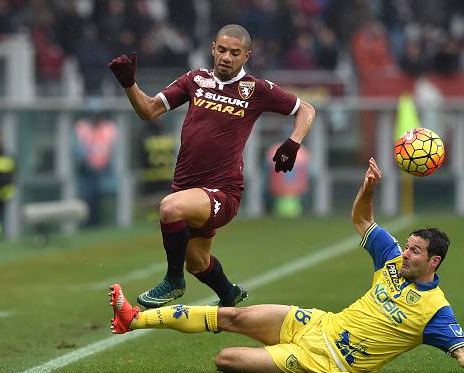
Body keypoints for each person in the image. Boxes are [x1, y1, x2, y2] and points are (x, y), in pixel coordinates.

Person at [108, 158, 464, 373]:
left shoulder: (435, 310)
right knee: (235, 315)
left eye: (415, 252)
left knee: (226, 360)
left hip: (329, 361)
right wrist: (367, 189)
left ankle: (275, 356)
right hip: (318, 323)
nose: (405, 254)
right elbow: (363, 221)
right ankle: (135, 319)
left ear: (434, 262)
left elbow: (462, 350)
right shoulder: (392, 259)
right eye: (407, 246)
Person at [108, 24, 316, 309]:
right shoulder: (194, 80)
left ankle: (172, 281)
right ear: (212, 49)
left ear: (246, 56)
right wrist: (129, 84)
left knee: (170, 208)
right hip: (188, 188)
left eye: (235, 53)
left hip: (223, 192)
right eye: (222, 50)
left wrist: (294, 141)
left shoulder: (256, 89)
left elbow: (306, 109)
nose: (226, 57)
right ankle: (228, 294)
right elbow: (149, 110)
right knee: (197, 262)